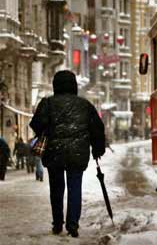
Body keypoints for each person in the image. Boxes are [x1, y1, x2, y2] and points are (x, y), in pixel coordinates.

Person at [30, 70, 105, 237]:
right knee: (74, 187)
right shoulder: (84, 105)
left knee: (56, 189)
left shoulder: (48, 103)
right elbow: (97, 128)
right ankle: (73, 224)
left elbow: (36, 124)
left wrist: (49, 129)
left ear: (55, 85)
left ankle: (57, 224)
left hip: (54, 152)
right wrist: (97, 148)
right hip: (77, 153)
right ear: (74, 86)